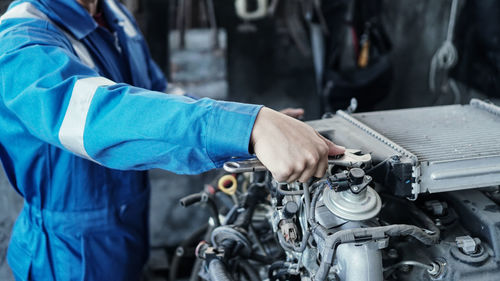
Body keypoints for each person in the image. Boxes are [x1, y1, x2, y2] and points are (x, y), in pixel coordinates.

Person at [0, 0, 345, 280]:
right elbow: (95, 118)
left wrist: (251, 127)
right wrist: (247, 127)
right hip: (65, 256)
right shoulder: (21, 39)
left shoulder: (114, 14)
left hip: (129, 232)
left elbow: (161, 93)